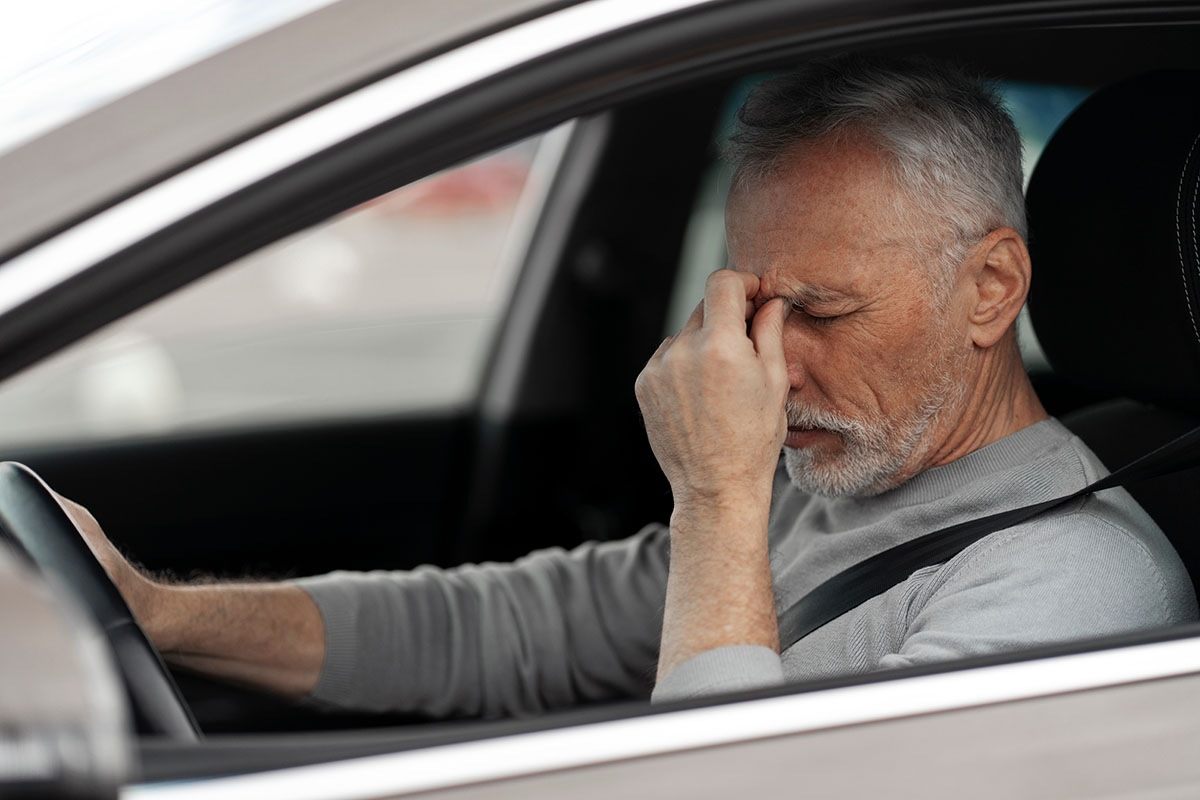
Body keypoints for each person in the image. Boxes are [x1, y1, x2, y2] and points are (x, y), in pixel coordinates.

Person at [65, 56, 1197, 718]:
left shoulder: (1081, 591)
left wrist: (716, 497)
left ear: (992, 286)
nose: (773, 362)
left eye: (823, 310)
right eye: (754, 305)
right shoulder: (837, 479)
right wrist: (158, 610)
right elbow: (509, 629)